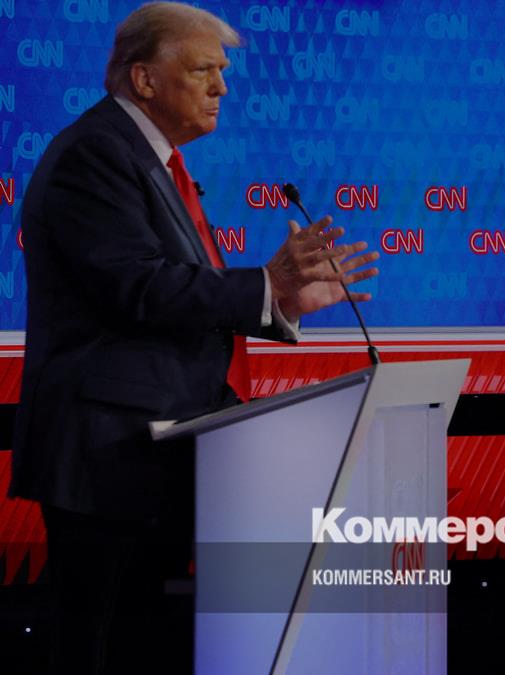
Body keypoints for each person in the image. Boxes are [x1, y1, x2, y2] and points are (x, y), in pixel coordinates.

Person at [7, 3, 379, 672]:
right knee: (96, 651)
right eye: (205, 69)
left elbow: (173, 295)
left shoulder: (149, 160)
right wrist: (264, 282)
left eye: (223, 72)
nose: (222, 88)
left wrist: (279, 299)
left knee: (144, 646)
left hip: (155, 453)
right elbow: (139, 287)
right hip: (105, 458)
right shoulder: (95, 155)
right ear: (144, 78)